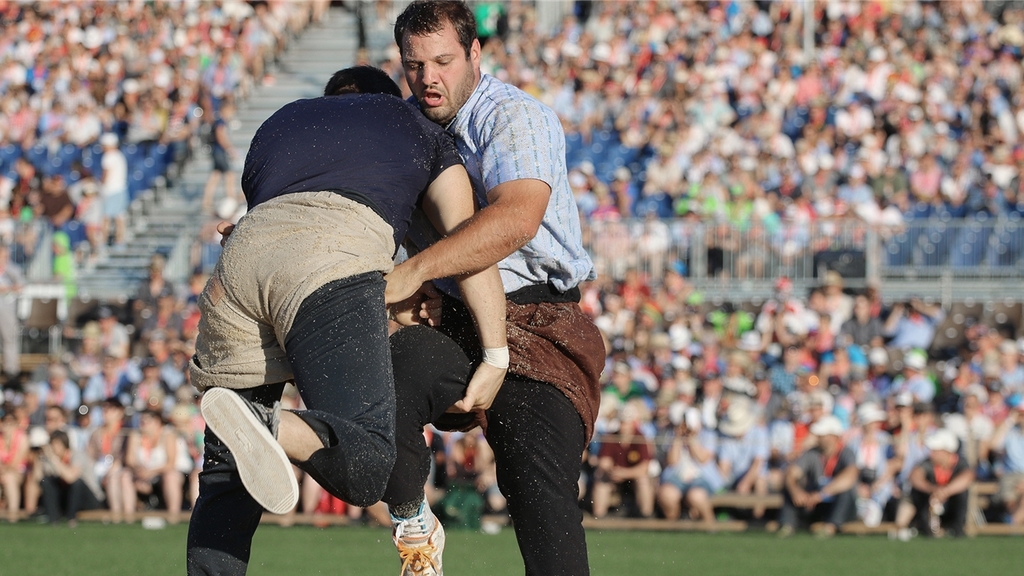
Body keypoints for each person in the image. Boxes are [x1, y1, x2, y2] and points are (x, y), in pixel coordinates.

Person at [186, 66, 508, 575]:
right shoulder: (410, 123)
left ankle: (247, 435)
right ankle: (265, 424)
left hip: (238, 264)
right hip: (329, 256)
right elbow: (466, 243)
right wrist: (496, 350)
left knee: (227, 476)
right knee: (367, 464)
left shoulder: (284, 121)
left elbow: (270, 230)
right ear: (389, 100)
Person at [382, 3, 605, 575]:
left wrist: (413, 273)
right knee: (389, 373)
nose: (429, 78)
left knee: (541, 502)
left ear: (475, 54)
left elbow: (514, 222)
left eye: (443, 61)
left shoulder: (512, 116)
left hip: (538, 318)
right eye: (415, 65)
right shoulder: (405, 127)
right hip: (455, 318)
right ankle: (414, 526)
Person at [779, 415, 858, 537]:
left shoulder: (846, 453)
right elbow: (791, 473)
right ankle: (787, 525)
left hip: (833, 501)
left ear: (833, 437)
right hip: (815, 502)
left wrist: (822, 494)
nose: (818, 438)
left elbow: (850, 476)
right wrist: (796, 491)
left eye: (822, 435)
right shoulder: (813, 453)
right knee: (790, 488)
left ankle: (831, 527)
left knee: (846, 493)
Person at [892, 428, 975, 539]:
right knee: (917, 493)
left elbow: (968, 476)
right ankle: (925, 528)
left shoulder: (960, 463)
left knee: (962, 493)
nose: (931, 453)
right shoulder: (928, 463)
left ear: (947, 451)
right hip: (929, 501)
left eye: (936, 450)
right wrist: (932, 490)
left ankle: (957, 528)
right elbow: (915, 476)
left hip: (950, 503)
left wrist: (946, 491)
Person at [36, 429, 103, 526]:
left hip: (89, 498)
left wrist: (53, 459)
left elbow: (70, 477)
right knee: (46, 481)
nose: (54, 448)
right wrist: (38, 458)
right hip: (68, 497)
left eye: (57, 444)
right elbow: (38, 478)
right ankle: (53, 519)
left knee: (77, 483)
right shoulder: (50, 459)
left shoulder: (77, 455)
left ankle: (71, 519)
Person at [0, 244, 23, 386]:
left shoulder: (11, 270)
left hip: (6, 308)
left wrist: (9, 287)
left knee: (9, 339)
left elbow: (21, 285)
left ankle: (11, 371)